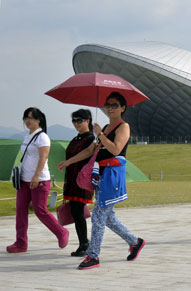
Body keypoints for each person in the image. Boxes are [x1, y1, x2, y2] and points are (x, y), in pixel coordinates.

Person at [58, 92, 145, 270]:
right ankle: (135, 242)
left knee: (98, 215)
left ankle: (93, 255)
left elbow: (116, 149)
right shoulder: (105, 128)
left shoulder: (123, 127)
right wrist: (69, 161)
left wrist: (100, 134)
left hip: (112, 176)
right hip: (100, 176)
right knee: (108, 217)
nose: (110, 108)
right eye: (108, 104)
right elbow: (91, 150)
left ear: (122, 108)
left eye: (114, 105)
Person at [7, 108, 69, 253]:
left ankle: (61, 232)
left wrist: (36, 176)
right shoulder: (28, 136)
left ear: (39, 120)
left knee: (40, 211)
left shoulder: (42, 137)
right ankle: (21, 243)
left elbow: (43, 157)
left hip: (39, 180)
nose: (27, 121)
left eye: (31, 118)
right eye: (25, 118)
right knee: (20, 211)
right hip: (23, 180)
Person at [62, 109, 95, 256]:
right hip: (72, 180)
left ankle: (84, 245)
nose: (76, 124)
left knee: (77, 212)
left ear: (88, 121)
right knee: (76, 212)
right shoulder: (76, 138)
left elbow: (87, 153)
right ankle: (84, 243)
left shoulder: (91, 138)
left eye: (79, 120)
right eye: (74, 121)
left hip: (82, 181)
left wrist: (68, 162)